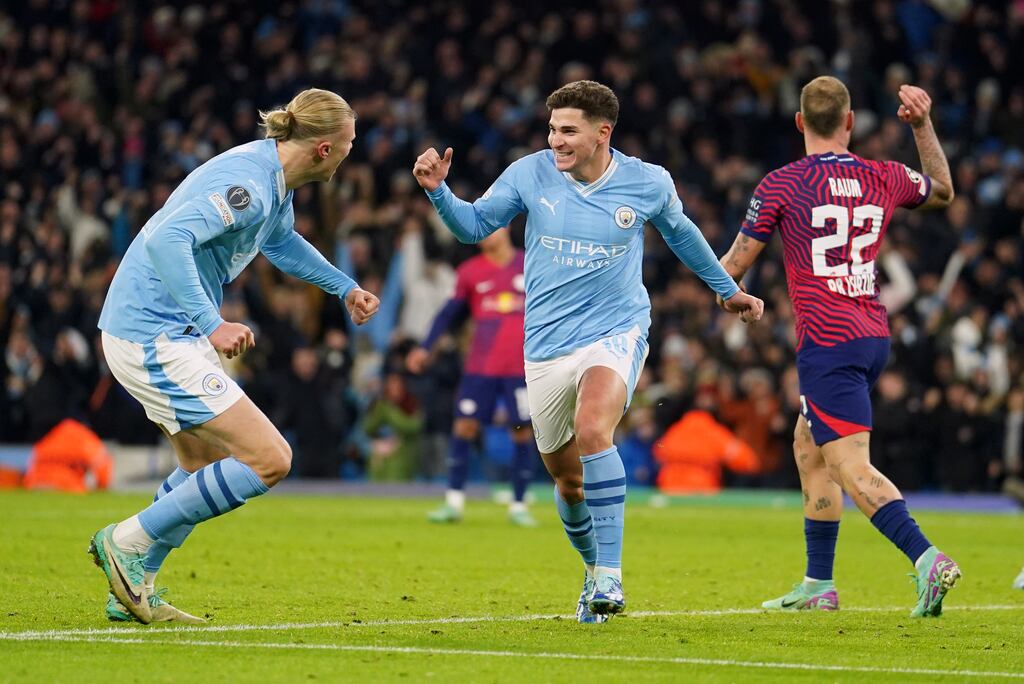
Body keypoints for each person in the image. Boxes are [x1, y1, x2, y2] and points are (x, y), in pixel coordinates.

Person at [413, 80, 763, 623]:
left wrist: (726, 289)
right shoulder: (530, 172)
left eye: (568, 130)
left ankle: (610, 577)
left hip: (616, 329)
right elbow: (475, 225)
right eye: (552, 129)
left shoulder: (647, 182)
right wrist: (439, 191)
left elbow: (684, 235)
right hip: (547, 345)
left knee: (595, 428)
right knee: (566, 477)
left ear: (604, 133)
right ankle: (592, 566)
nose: (556, 140)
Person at [89, 88, 379, 624]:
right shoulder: (249, 184)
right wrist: (212, 323)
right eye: (348, 145)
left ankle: (132, 588)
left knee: (204, 466)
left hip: (161, 330)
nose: (349, 154)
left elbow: (282, 243)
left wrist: (344, 288)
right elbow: (166, 239)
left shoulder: (270, 176)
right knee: (271, 459)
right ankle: (125, 540)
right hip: (154, 333)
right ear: (323, 149)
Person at [718, 76, 958, 617]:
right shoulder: (885, 174)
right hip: (872, 334)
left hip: (827, 342)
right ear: (849, 122)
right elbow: (943, 192)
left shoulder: (781, 184)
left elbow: (732, 267)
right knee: (810, 446)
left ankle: (927, 559)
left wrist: (734, 300)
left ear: (800, 122)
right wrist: (921, 126)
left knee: (850, 466)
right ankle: (818, 585)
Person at [406, 227, 538, 527]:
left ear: (506, 228)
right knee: (464, 426)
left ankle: (518, 505)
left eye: (492, 227)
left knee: (521, 430)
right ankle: (453, 502)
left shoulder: (530, 264)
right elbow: (448, 314)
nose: (485, 234)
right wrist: (426, 348)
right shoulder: (470, 272)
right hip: (481, 368)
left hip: (522, 369)